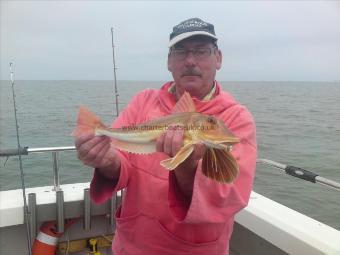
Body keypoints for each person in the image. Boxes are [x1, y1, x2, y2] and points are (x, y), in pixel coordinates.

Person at [75, 17, 257, 255]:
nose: (190, 60)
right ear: (169, 61)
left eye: (201, 51)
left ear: (218, 58)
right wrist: (107, 160)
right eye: (180, 51)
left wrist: (186, 168)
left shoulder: (236, 119)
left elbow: (230, 197)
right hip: (132, 246)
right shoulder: (144, 101)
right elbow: (122, 160)